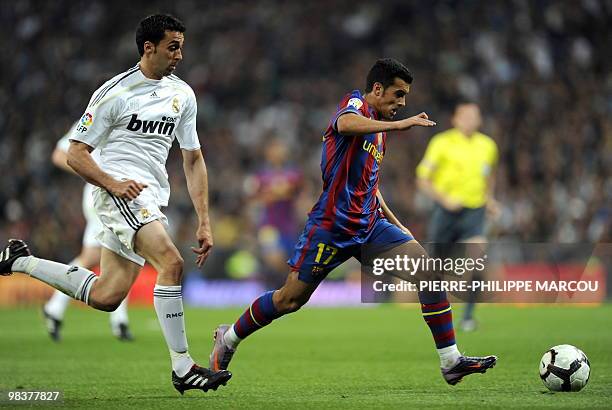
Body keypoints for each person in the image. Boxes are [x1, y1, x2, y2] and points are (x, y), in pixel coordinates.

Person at [208, 58, 497, 385]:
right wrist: (399, 126)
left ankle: (451, 361)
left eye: (405, 98)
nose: (402, 104)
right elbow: (345, 124)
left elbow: (369, 184)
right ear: (377, 89)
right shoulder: (355, 104)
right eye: (398, 94)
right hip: (331, 228)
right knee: (289, 299)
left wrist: (395, 222)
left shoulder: (379, 133)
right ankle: (228, 337)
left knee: (427, 272)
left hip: (370, 226)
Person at [0, 14, 231, 394]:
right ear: (148, 47)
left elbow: (193, 159)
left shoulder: (183, 95)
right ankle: (183, 366)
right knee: (171, 263)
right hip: (118, 193)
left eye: (182, 48)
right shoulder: (114, 94)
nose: (179, 55)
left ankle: (19, 260)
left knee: (108, 295)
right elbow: (75, 153)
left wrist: (204, 220)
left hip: (151, 197)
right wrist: (113, 183)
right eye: (173, 47)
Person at [42, 124, 133, 342]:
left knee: (96, 256)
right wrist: (93, 173)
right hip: (103, 195)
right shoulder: (97, 115)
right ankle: (119, 320)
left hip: (116, 194)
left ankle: (55, 307)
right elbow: (58, 154)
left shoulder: (127, 113)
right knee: (125, 251)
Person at [416, 102, 499, 331]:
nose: (470, 120)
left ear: (479, 120)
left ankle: (468, 317)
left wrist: (489, 198)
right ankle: (436, 315)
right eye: (465, 116)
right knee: (435, 269)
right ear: (455, 119)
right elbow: (422, 178)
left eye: (474, 116)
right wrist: (444, 200)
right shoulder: (441, 143)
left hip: (474, 211)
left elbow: (489, 176)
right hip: (445, 212)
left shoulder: (488, 145)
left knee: (476, 259)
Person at [245, 138, 303, 287]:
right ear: (268, 153)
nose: (278, 153)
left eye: (280, 149)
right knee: (274, 258)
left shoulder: (293, 172)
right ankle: (274, 289)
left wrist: (270, 193)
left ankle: (283, 291)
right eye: (275, 149)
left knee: (288, 263)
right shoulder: (261, 174)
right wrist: (276, 193)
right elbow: (253, 197)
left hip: (288, 226)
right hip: (269, 226)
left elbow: (292, 190)